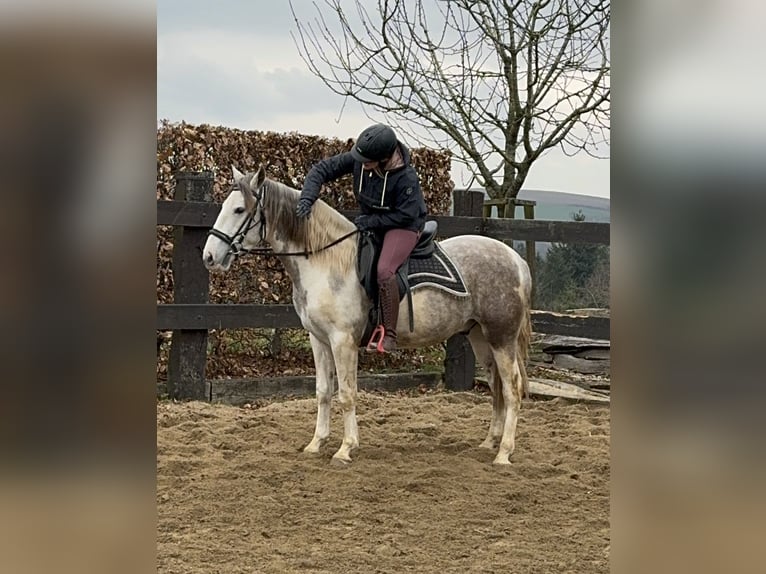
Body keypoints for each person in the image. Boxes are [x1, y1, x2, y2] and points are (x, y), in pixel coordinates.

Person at [295, 123, 427, 353]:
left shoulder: (406, 178)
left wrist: (371, 221)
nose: (361, 164)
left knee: (384, 271)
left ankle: (390, 334)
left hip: (403, 226)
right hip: (371, 224)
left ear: (384, 158)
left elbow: (407, 214)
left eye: (367, 161)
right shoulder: (362, 158)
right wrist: (307, 198)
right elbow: (322, 169)